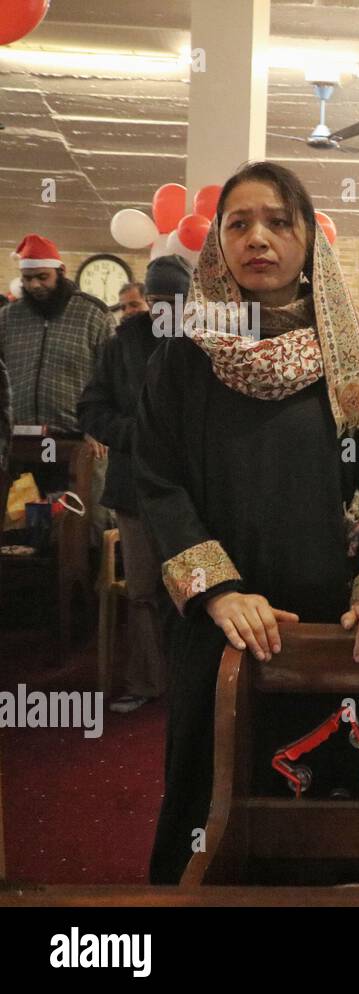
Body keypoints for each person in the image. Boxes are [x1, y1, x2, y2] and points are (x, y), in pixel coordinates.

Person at [134, 161, 359, 883]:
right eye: (238, 223)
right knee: (214, 814)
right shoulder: (185, 356)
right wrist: (218, 591)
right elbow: (158, 479)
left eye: (278, 221)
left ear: (308, 240)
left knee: (327, 822)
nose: (258, 238)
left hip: (334, 638)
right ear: (218, 244)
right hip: (222, 633)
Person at [78, 256, 192, 714]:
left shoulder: (208, 340)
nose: (165, 311)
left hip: (192, 492)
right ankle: (148, 681)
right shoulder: (124, 341)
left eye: (175, 302)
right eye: (158, 301)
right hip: (135, 490)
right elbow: (91, 408)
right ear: (148, 300)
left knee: (194, 590)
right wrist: (134, 437)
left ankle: (191, 683)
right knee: (144, 591)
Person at [0, 234, 114, 493]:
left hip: (78, 442)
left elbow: (111, 377)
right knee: (19, 523)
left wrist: (97, 427)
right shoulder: (8, 318)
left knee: (78, 523)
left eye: (43, 277)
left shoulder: (93, 315)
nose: (35, 285)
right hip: (18, 444)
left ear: (60, 271)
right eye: (28, 279)